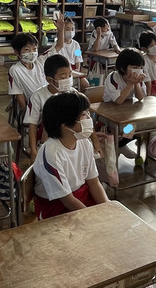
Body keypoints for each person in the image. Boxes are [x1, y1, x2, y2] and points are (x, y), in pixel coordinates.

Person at [32, 92, 109, 220]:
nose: (89, 119)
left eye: (88, 113)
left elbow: (94, 182)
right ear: (65, 124)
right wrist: (91, 219)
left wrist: (108, 207)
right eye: (84, 115)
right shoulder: (51, 153)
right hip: (56, 206)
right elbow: (67, 200)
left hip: (80, 196)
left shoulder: (84, 142)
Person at [8, 15, 65, 112]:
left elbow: (59, 46)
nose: (32, 52)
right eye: (27, 49)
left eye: (34, 49)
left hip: (50, 101)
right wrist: (26, 113)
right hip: (35, 106)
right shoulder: (15, 70)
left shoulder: (41, 61)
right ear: (17, 52)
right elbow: (18, 94)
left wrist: (60, 30)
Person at [58, 17, 88, 91]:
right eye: (67, 29)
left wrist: (77, 69)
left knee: (85, 84)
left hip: (74, 69)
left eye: (72, 29)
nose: (70, 31)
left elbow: (78, 58)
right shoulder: (58, 45)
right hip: (63, 69)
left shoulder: (76, 44)